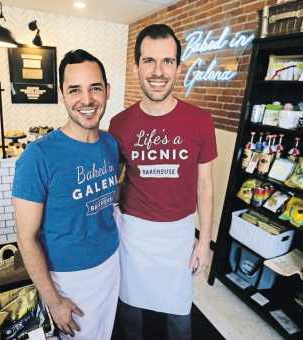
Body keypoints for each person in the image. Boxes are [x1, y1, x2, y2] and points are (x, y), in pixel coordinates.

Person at [109, 24, 217, 340]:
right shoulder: (120, 123)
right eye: (149, 61)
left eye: (167, 61)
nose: (158, 71)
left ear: (178, 67)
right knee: (129, 313)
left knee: (179, 316)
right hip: (133, 235)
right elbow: (113, 182)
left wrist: (205, 242)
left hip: (178, 237)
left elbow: (205, 186)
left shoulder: (200, 121)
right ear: (136, 66)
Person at [12, 49, 120, 340]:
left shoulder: (111, 145)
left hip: (110, 265)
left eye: (95, 88)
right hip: (68, 279)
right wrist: (53, 299)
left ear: (107, 91)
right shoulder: (38, 156)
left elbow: (107, 203)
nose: (86, 100)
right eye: (75, 90)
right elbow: (26, 237)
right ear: (62, 94)